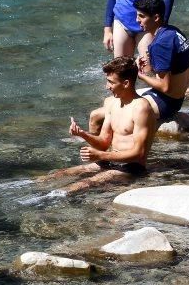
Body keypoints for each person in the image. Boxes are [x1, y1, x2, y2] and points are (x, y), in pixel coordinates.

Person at [44, 57, 156, 193]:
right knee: (54, 176)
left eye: (111, 82)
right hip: (109, 161)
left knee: (74, 188)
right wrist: (82, 134)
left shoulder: (141, 108)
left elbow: (139, 153)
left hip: (130, 168)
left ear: (126, 83)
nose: (107, 86)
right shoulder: (111, 103)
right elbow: (103, 143)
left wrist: (100, 155)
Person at [133, 0, 189, 121]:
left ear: (156, 17)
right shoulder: (173, 31)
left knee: (104, 113)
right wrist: (151, 59)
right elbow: (174, 66)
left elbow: (165, 87)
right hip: (177, 98)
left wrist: (140, 74)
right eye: (137, 15)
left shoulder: (160, 44)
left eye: (142, 16)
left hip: (166, 102)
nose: (137, 20)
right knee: (113, 101)